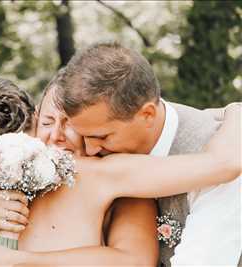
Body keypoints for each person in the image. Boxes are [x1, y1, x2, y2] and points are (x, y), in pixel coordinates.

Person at [0, 77, 240, 266]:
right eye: (49, 122)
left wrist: (233, 112)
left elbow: (221, 165)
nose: (55, 136)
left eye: (71, 126)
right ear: (35, 119)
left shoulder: (108, 176)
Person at [53, 41, 242, 266]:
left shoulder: (220, 150)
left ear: (148, 114)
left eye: (102, 137)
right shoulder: (92, 160)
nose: (90, 149)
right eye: (83, 135)